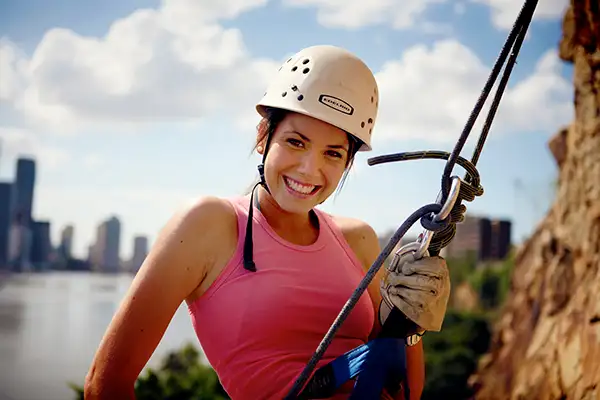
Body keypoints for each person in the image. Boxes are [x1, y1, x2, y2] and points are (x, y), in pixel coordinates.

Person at [84, 44, 451, 400]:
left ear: (348, 163)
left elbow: (406, 390)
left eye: (333, 153)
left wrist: (410, 325)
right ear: (264, 136)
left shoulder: (360, 240)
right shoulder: (209, 226)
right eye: (295, 142)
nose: (310, 169)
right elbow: (104, 385)